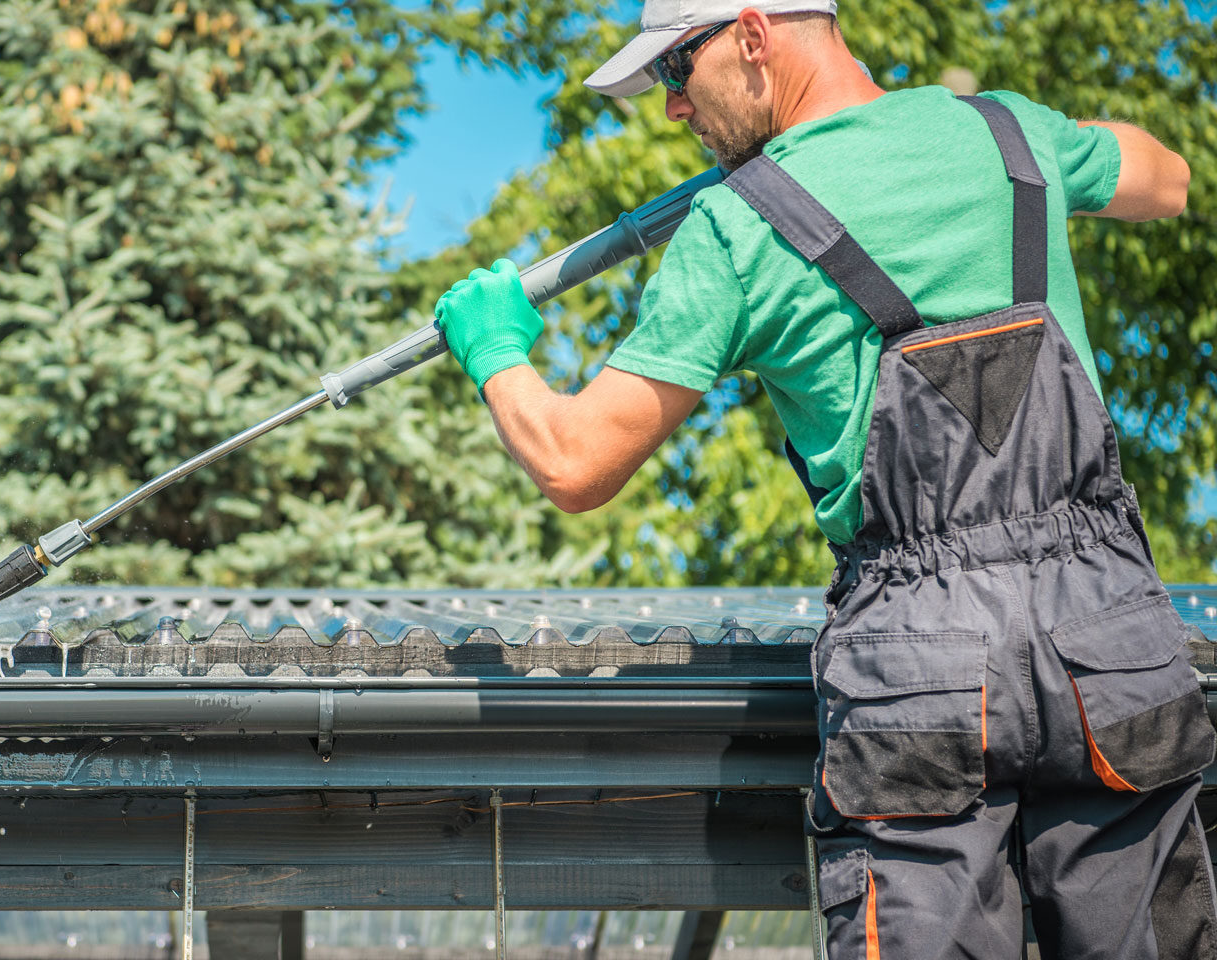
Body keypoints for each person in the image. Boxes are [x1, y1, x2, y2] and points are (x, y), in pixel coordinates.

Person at [431, 2, 1214, 956]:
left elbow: (574, 462)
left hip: (922, 664)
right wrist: (1035, 142)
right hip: (1107, 633)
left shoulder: (735, 229)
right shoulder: (1010, 134)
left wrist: (495, 350)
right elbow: (1168, 179)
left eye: (677, 70)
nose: (674, 106)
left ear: (753, 35)